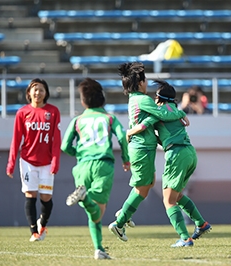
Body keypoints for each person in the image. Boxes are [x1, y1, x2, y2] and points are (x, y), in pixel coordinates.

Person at [108, 62, 189, 242]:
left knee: (148, 183)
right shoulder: (142, 100)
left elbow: (153, 118)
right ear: (139, 83)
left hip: (145, 148)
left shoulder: (136, 99)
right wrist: (180, 112)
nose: (146, 83)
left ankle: (125, 212)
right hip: (142, 148)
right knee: (142, 189)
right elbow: (163, 114)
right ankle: (120, 222)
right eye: (144, 80)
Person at [126, 79, 212, 247]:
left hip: (176, 154)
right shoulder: (175, 110)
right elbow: (165, 134)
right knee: (177, 195)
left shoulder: (158, 111)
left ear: (159, 98)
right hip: (189, 153)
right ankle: (201, 224)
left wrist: (129, 133)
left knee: (168, 200)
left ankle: (185, 238)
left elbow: (143, 126)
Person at [61, 78, 130, 260]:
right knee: (98, 211)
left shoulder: (78, 120)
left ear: (83, 101)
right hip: (102, 165)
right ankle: (98, 248)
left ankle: (99, 249)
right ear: (103, 99)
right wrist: (125, 158)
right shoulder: (108, 118)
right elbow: (122, 136)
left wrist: (79, 153)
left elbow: (65, 146)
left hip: (82, 166)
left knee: (93, 214)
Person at [6, 78, 61, 242]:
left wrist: (56, 161)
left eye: (41, 89)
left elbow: (56, 140)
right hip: (28, 161)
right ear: (29, 93)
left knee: (46, 197)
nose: (38, 92)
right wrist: (11, 164)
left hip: (47, 162)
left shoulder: (53, 112)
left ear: (46, 93)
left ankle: (42, 224)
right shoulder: (22, 113)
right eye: (35, 89)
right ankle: (34, 232)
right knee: (30, 195)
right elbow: (16, 140)